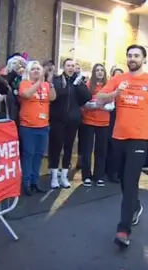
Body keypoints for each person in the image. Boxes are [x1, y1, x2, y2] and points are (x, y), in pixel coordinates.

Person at [96, 44, 148, 247]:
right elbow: (98, 100)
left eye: (136, 55)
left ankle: (123, 230)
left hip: (140, 139)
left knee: (130, 181)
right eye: (130, 55)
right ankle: (136, 206)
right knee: (124, 180)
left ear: (144, 59)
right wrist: (115, 93)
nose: (132, 58)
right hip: (118, 138)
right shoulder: (118, 79)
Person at [48, 58, 91, 189]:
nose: (71, 68)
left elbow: (86, 98)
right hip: (57, 119)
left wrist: (80, 85)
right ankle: (54, 176)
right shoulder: (57, 80)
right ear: (64, 67)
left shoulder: (77, 82)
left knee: (68, 148)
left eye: (73, 66)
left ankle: (64, 176)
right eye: (68, 65)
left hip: (73, 120)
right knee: (56, 147)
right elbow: (55, 97)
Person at [18, 61, 56, 195]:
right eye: (33, 69)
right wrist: (39, 82)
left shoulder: (46, 85)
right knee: (28, 154)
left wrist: (49, 83)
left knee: (39, 155)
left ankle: (35, 181)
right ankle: (26, 183)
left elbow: (53, 97)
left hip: (43, 126)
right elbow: (26, 95)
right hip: (28, 126)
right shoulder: (25, 84)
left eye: (38, 69)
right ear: (28, 71)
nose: (36, 71)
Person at [80, 64, 110, 187]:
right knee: (87, 150)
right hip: (88, 121)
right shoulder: (88, 86)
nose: (99, 72)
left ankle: (99, 176)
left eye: (101, 70)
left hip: (104, 122)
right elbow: (83, 102)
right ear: (93, 72)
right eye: (97, 70)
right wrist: (96, 105)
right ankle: (86, 175)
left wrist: (102, 105)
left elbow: (112, 102)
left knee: (101, 151)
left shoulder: (108, 87)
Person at [106, 66, 124, 183]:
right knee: (108, 147)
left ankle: (116, 172)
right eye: (115, 75)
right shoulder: (109, 88)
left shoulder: (126, 89)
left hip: (122, 120)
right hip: (109, 119)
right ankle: (107, 171)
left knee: (118, 148)